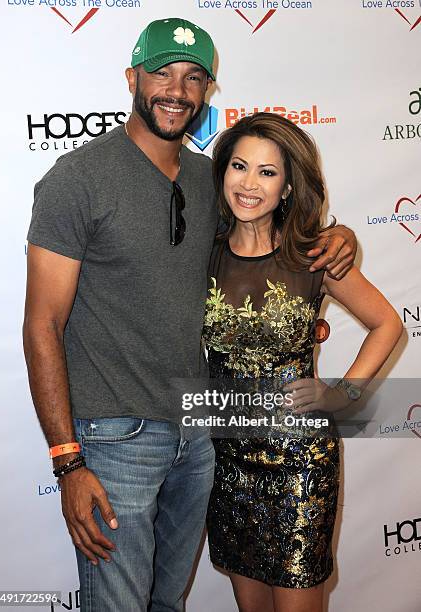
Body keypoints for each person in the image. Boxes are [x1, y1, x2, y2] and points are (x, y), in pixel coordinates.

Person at [22, 17, 357, 612]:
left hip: (201, 437)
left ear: (207, 93)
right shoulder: (77, 180)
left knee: (168, 605)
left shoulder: (217, 181)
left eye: (194, 77)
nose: (176, 89)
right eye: (162, 73)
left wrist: (340, 238)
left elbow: (270, 256)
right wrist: (66, 460)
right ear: (132, 78)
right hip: (114, 438)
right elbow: (41, 326)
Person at [203, 112, 403, 612]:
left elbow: (388, 325)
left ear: (288, 186)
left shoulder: (314, 255)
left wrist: (344, 393)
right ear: (222, 171)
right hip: (227, 460)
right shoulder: (202, 254)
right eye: (239, 166)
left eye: (267, 173)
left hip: (300, 463)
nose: (249, 184)